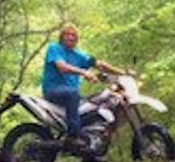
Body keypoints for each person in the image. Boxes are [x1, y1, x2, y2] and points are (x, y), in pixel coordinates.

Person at [42, 23, 126, 153]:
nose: (70, 37)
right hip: (53, 90)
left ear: (77, 39)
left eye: (73, 35)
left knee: (92, 106)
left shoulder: (79, 55)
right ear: (61, 37)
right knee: (72, 94)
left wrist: (122, 73)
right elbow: (62, 67)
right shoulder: (54, 48)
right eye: (67, 34)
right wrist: (83, 72)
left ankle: (89, 147)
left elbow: (99, 64)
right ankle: (72, 137)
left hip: (70, 94)